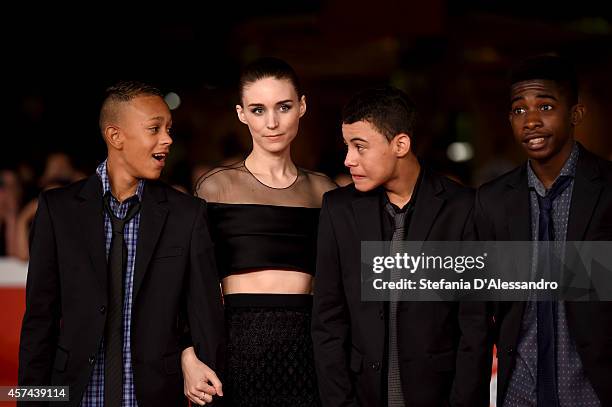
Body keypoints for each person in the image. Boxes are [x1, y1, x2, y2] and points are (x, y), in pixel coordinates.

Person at [18, 81, 224, 406]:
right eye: (154, 128)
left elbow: (203, 317)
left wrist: (189, 355)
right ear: (115, 136)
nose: (167, 139)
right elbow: (39, 322)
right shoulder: (57, 210)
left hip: (156, 397)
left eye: (169, 128)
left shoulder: (188, 215)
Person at [312, 86, 491, 406]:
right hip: (361, 395)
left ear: (401, 144)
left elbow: (474, 328)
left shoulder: (462, 207)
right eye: (346, 146)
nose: (348, 159)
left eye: (360, 146)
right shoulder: (338, 209)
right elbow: (328, 322)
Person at [182, 57, 336, 406]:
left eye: (283, 107)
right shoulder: (215, 188)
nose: (272, 122)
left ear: (302, 106)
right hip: (234, 349)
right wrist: (187, 355)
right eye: (258, 109)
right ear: (241, 113)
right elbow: (187, 283)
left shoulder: (324, 192)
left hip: (308, 350)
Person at [474, 55, 612, 406]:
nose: (531, 121)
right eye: (519, 110)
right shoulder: (492, 201)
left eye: (546, 106)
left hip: (593, 393)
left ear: (575, 114)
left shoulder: (608, 189)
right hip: (518, 393)